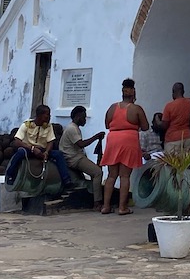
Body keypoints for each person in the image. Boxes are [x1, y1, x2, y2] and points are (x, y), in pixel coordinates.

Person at [4, 105, 78, 193]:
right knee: (20, 153)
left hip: (42, 150)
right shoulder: (26, 125)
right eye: (47, 115)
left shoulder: (48, 126)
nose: (49, 117)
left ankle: (66, 180)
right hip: (28, 149)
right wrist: (32, 149)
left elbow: (50, 141)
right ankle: (10, 175)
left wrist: (46, 152)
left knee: (58, 154)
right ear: (39, 115)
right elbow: (17, 141)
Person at [100, 79, 147, 215]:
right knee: (125, 176)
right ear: (133, 91)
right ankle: (122, 208)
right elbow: (145, 126)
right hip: (128, 140)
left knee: (111, 176)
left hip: (113, 140)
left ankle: (106, 206)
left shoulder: (112, 108)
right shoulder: (136, 109)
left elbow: (107, 125)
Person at [56, 105, 105, 206]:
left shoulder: (74, 128)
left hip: (76, 157)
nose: (85, 120)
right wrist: (96, 137)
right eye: (84, 117)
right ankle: (97, 202)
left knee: (94, 173)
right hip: (74, 159)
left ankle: (93, 195)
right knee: (97, 172)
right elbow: (81, 144)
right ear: (78, 116)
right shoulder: (72, 128)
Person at [160, 82, 190, 156]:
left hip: (173, 138)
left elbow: (164, 125)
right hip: (187, 136)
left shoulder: (169, 106)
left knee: (172, 162)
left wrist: (158, 122)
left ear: (173, 92)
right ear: (183, 91)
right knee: (186, 161)